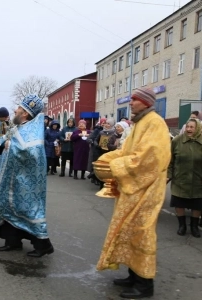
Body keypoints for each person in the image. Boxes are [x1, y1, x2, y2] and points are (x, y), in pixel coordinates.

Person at [96, 87, 171, 299]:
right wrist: (108, 159)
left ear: (146, 102)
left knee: (141, 232)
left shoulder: (155, 123)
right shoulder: (140, 123)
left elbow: (149, 159)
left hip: (147, 190)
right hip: (134, 190)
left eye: (135, 100)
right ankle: (133, 275)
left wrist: (117, 166)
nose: (131, 103)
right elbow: (128, 152)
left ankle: (145, 285)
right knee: (128, 230)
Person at [0, 94, 54, 258]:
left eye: (18, 108)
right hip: (11, 179)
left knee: (29, 211)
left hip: (26, 181)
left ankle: (43, 245)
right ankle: (13, 241)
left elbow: (31, 152)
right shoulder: (17, 128)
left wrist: (10, 146)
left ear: (24, 113)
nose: (15, 110)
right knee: (10, 208)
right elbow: (1, 144)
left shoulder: (33, 131)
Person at [167, 118, 202, 238]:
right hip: (180, 178)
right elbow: (170, 161)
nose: (189, 129)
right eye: (187, 127)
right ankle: (182, 225)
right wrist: (168, 176)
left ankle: (194, 226)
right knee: (179, 202)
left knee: (197, 203)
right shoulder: (177, 141)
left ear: (197, 128)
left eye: (192, 127)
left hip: (198, 180)